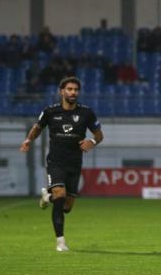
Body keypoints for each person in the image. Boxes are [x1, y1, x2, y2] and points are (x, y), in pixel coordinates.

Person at [19, 76, 103, 252]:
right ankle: (61, 242)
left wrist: (92, 142)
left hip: (75, 163)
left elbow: (99, 135)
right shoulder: (50, 111)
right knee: (60, 194)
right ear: (61, 91)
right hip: (56, 161)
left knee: (66, 206)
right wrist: (28, 140)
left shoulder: (86, 113)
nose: (73, 92)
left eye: (76, 90)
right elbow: (38, 127)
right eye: (70, 89)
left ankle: (46, 197)